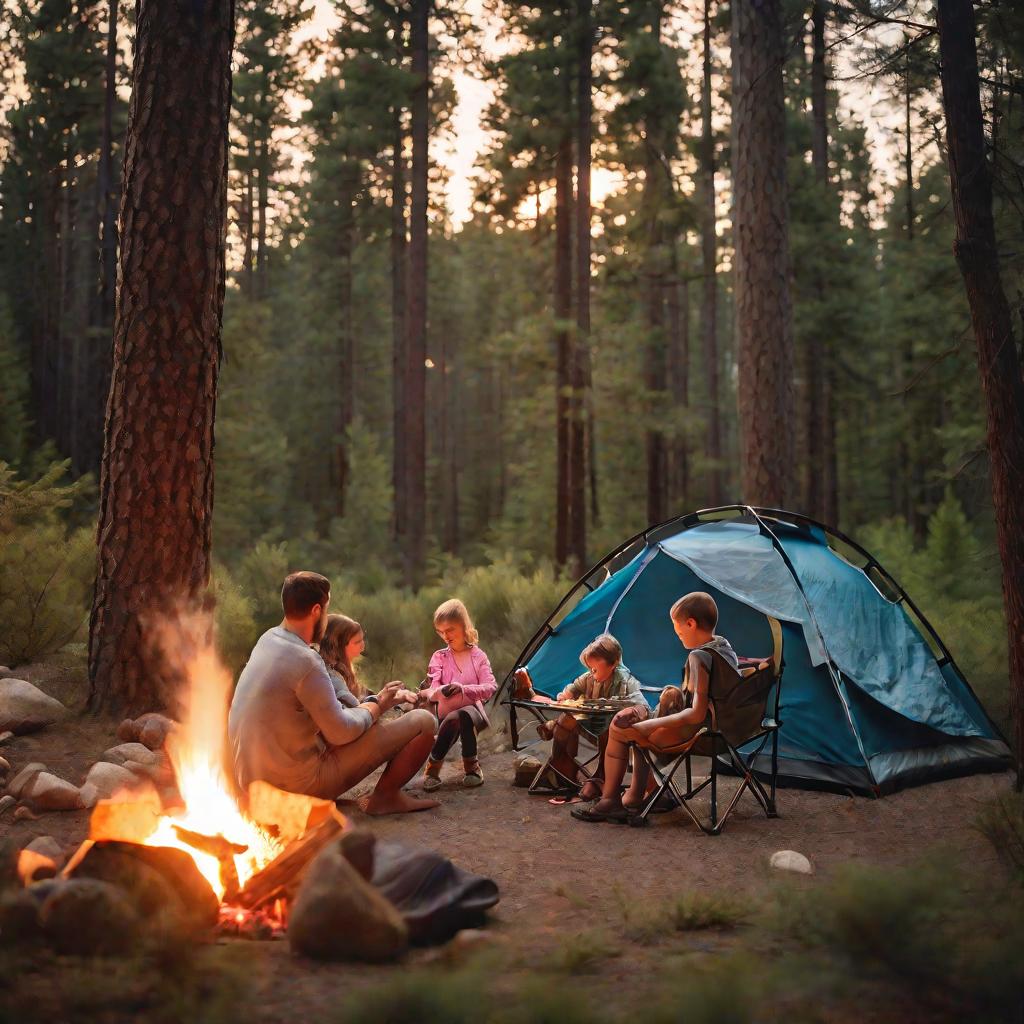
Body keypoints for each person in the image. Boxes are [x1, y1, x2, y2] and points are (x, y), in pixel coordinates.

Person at [228, 571, 439, 815]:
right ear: (317, 611)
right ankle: (385, 798)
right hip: (292, 791)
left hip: (250, 786)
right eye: (327, 611)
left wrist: (369, 704)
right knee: (423, 721)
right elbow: (341, 732)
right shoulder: (305, 660)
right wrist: (378, 704)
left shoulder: (268, 640)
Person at [571, 591, 738, 823]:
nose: (678, 636)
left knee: (620, 730)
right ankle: (637, 795)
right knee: (648, 716)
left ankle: (609, 801)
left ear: (691, 623)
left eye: (679, 631)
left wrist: (651, 724)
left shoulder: (699, 657)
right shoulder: (725, 648)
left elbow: (696, 713)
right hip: (726, 730)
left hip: (696, 734)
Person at [514, 634, 647, 802]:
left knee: (582, 720)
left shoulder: (625, 681)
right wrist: (566, 694)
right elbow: (574, 686)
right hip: (591, 726)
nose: (592, 673)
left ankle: (599, 777)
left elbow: (640, 703)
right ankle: (561, 771)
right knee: (568, 717)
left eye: (595, 669)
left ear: (613, 664)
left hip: (612, 733)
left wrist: (603, 703)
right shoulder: (589, 678)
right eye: (590, 669)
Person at [419, 599, 497, 791]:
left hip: (473, 712)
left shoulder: (478, 656)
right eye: (440, 631)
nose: (445, 636)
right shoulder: (439, 657)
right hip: (446, 712)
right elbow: (431, 691)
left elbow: (490, 686)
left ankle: (434, 768)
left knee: (463, 714)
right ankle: (471, 768)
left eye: (450, 630)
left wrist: (463, 689)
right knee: (454, 717)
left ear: (464, 626)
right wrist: (441, 691)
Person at [318, 613, 367, 707]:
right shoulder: (331, 677)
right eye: (357, 642)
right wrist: (380, 702)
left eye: (362, 640)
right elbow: (357, 711)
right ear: (338, 646)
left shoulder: (340, 671)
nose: (363, 647)